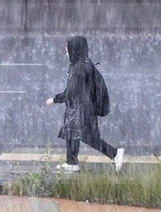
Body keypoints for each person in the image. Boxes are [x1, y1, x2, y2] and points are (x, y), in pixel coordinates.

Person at [45, 35, 124, 172]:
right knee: (70, 133)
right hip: (78, 108)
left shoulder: (80, 67)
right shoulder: (81, 64)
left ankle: (115, 153)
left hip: (82, 110)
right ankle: (71, 162)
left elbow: (71, 91)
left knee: (89, 138)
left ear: (75, 48)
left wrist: (55, 99)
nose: (65, 49)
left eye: (67, 46)